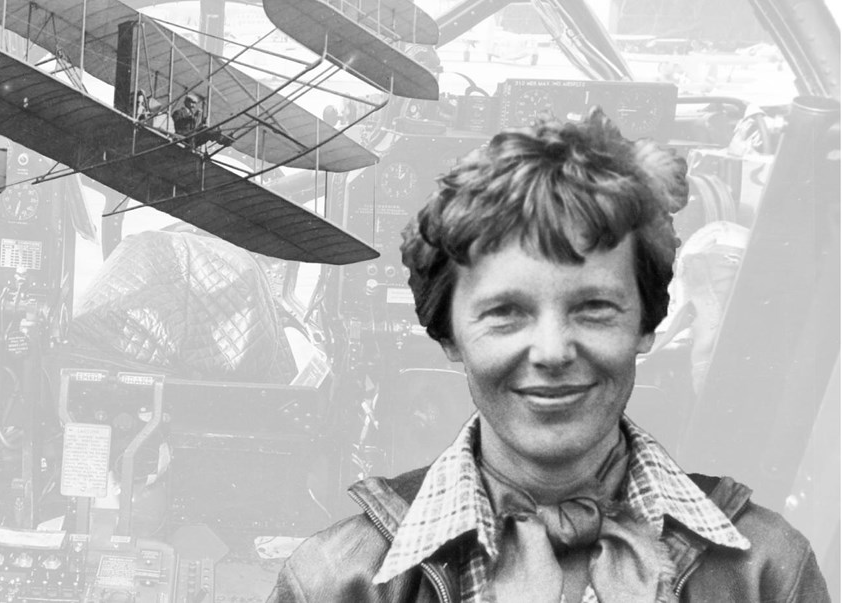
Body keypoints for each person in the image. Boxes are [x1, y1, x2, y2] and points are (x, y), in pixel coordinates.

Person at [269, 111, 828, 602]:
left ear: (646, 323)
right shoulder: (337, 583)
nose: (554, 351)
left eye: (593, 308)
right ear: (448, 335)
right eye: (506, 313)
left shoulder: (767, 572)